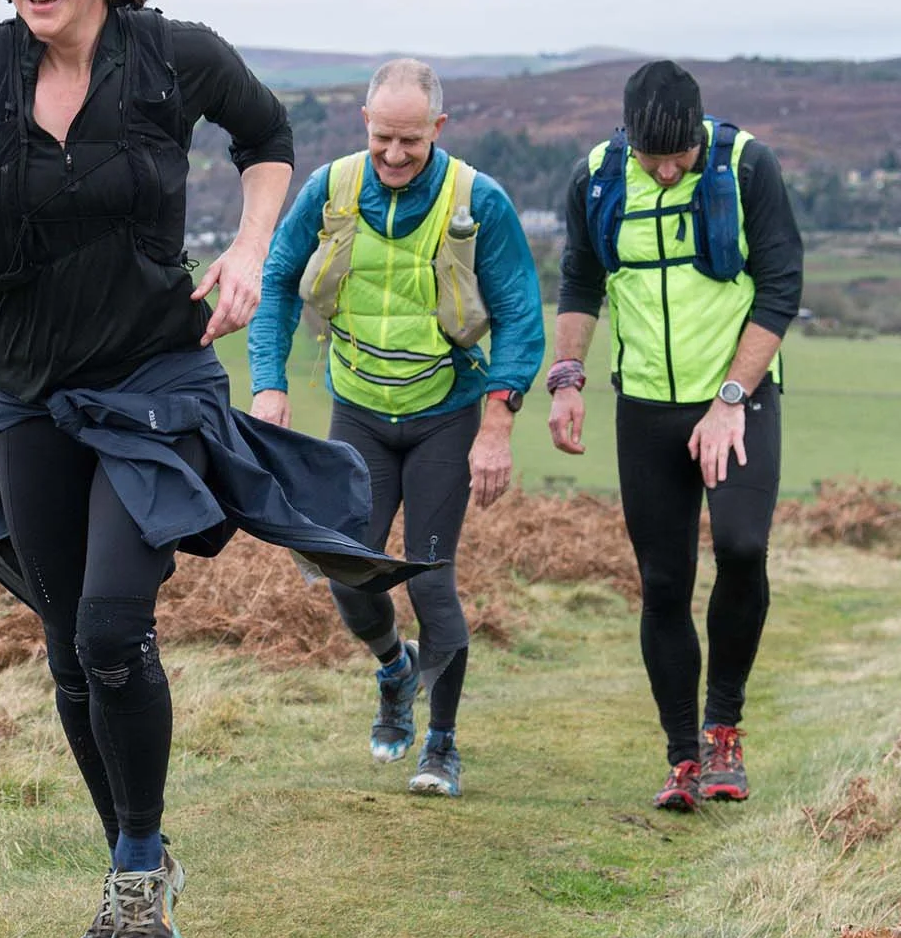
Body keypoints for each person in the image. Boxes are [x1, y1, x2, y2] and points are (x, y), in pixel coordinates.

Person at [0, 0, 417, 938]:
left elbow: (268, 135)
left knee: (117, 625)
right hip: (29, 390)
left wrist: (247, 247)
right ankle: (138, 856)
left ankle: (134, 872)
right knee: (70, 649)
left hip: (155, 379)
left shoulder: (171, 54)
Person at [247, 60, 545, 797]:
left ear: (438, 129)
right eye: (384, 137)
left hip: (446, 412)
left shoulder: (480, 201)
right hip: (358, 409)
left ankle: (440, 744)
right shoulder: (332, 189)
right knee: (345, 563)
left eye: (411, 140)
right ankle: (393, 666)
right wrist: (269, 386)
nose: (395, 154)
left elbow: (519, 316)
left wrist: (498, 423)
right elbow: (279, 279)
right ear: (365, 123)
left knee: (431, 579)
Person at [546, 59, 804, 812]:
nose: (665, 171)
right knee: (662, 582)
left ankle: (725, 727)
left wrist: (731, 395)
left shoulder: (748, 165)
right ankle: (683, 756)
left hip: (739, 397)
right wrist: (567, 377)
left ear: (699, 132)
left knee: (743, 548)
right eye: (650, 158)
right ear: (627, 139)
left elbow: (783, 285)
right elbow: (580, 276)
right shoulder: (595, 178)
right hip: (647, 407)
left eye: (679, 157)